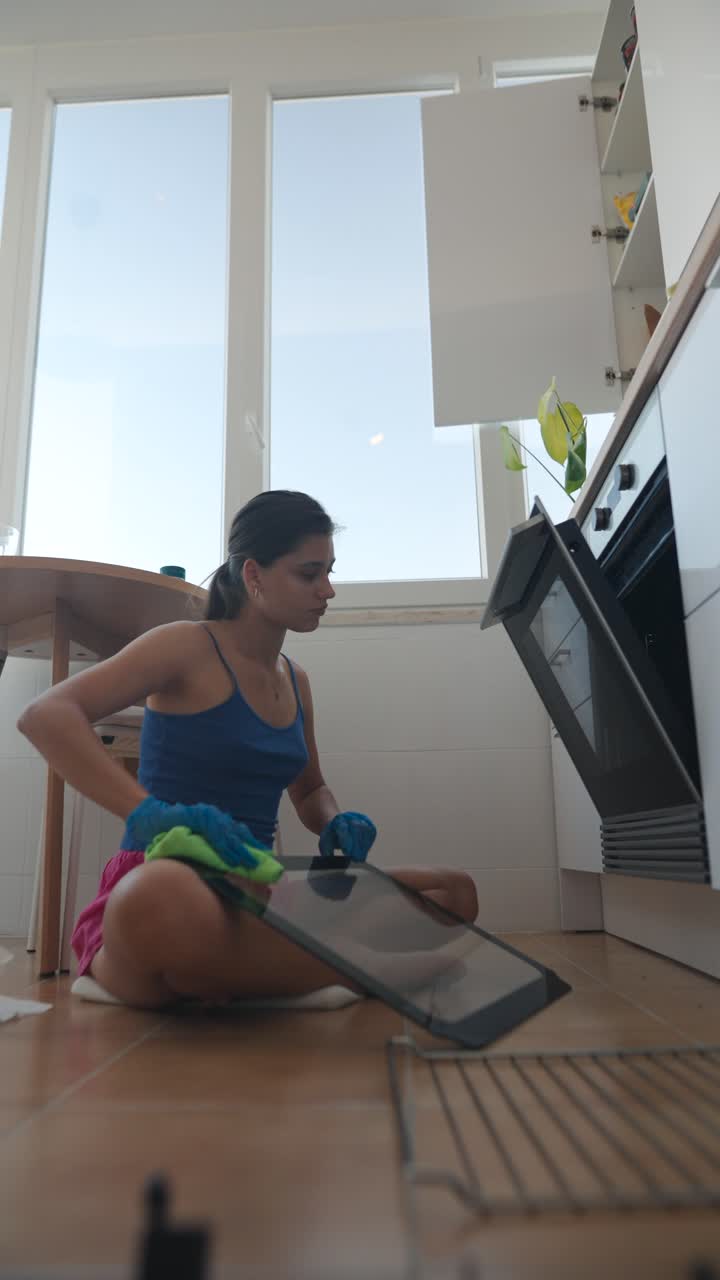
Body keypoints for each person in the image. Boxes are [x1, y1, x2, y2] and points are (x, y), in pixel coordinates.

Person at [18, 491, 478, 1009]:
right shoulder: (184, 645)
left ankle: (256, 969)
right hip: (168, 882)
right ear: (254, 575)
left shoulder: (296, 680)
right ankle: (347, 967)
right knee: (163, 901)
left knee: (451, 893)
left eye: (329, 572)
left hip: (255, 890)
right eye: (309, 574)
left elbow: (310, 790)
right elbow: (45, 715)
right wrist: (150, 814)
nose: (327, 590)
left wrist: (333, 820)